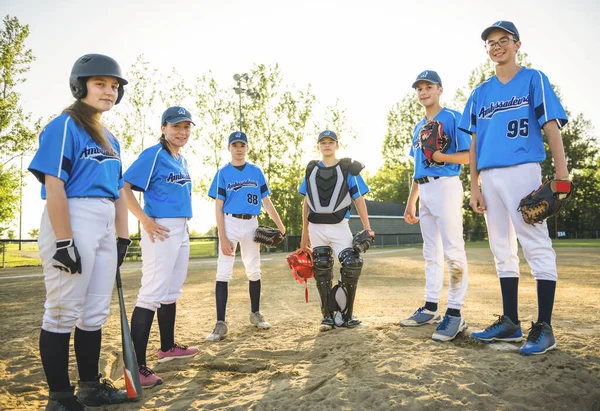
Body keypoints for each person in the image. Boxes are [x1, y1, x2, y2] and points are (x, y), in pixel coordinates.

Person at [458, 21, 570, 355]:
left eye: (502, 40)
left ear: (517, 44)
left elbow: (550, 125)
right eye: (490, 43)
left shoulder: (533, 79)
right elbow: (475, 142)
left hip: (523, 170)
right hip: (489, 176)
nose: (496, 47)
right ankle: (510, 322)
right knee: (501, 248)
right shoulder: (480, 93)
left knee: (535, 243)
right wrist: (473, 186)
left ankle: (544, 327)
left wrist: (561, 174)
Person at [28, 54, 131, 410]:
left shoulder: (111, 138)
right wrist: (63, 240)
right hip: (73, 215)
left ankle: (90, 387)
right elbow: (55, 186)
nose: (109, 91)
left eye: (114, 86)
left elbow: (118, 191)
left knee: (94, 312)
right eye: (100, 83)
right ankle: (59, 397)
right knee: (61, 311)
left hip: (103, 220)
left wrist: (123, 237)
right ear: (80, 85)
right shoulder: (64, 125)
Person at [123, 106, 199, 388]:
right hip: (161, 228)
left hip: (180, 228)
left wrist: (184, 224)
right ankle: (137, 367)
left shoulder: (181, 158)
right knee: (151, 293)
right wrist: (144, 220)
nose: (182, 132)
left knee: (171, 290)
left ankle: (167, 348)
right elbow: (124, 186)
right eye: (177, 126)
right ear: (164, 128)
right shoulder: (153, 154)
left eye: (187, 127)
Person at [400, 71, 471, 342]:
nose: (423, 92)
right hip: (425, 189)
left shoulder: (452, 118)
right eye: (419, 88)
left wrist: (442, 155)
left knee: (453, 249)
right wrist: (411, 202)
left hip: (446, 185)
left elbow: (468, 155)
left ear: (440, 89)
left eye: (428, 86)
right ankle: (431, 306)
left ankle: (455, 313)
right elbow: (418, 166)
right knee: (431, 252)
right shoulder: (418, 127)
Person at [206, 131, 286, 341]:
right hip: (230, 222)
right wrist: (222, 237)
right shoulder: (222, 173)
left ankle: (255, 313)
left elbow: (266, 202)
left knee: (254, 269)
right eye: (235, 145)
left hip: (251, 223)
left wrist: (281, 225)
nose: (239, 149)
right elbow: (218, 206)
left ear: (247, 148)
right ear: (229, 148)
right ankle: (220, 322)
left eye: (242, 145)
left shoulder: (256, 172)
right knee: (223, 271)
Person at [299, 130, 374, 331]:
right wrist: (304, 234)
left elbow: (359, 199)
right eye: (322, 142)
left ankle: (346, 315)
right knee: (321, 268)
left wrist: (367, 228)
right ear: (318, 146)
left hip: (340, 226)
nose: (327, 145)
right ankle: (327, 316)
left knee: (352, 263)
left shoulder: (348, 169)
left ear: (337, 145)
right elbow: (306, 203)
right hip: (316, 227)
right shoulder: (311, 170)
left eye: (330, 142)